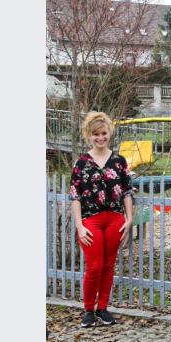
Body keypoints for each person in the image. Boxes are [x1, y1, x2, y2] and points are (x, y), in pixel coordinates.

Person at [69, 112, 134, 328]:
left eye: (104, 133)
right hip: (91, 220)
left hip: (115, 218)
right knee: (94, 266)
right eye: (96, 134)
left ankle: (103, 309)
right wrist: (79, 226)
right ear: (89, 135)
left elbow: (126, 192)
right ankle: (88, 310)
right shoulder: (81, 163)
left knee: (108, 265)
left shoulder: (118, 161)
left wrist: (129, 219)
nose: (100, 138)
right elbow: (75, 196)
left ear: (110, 133)